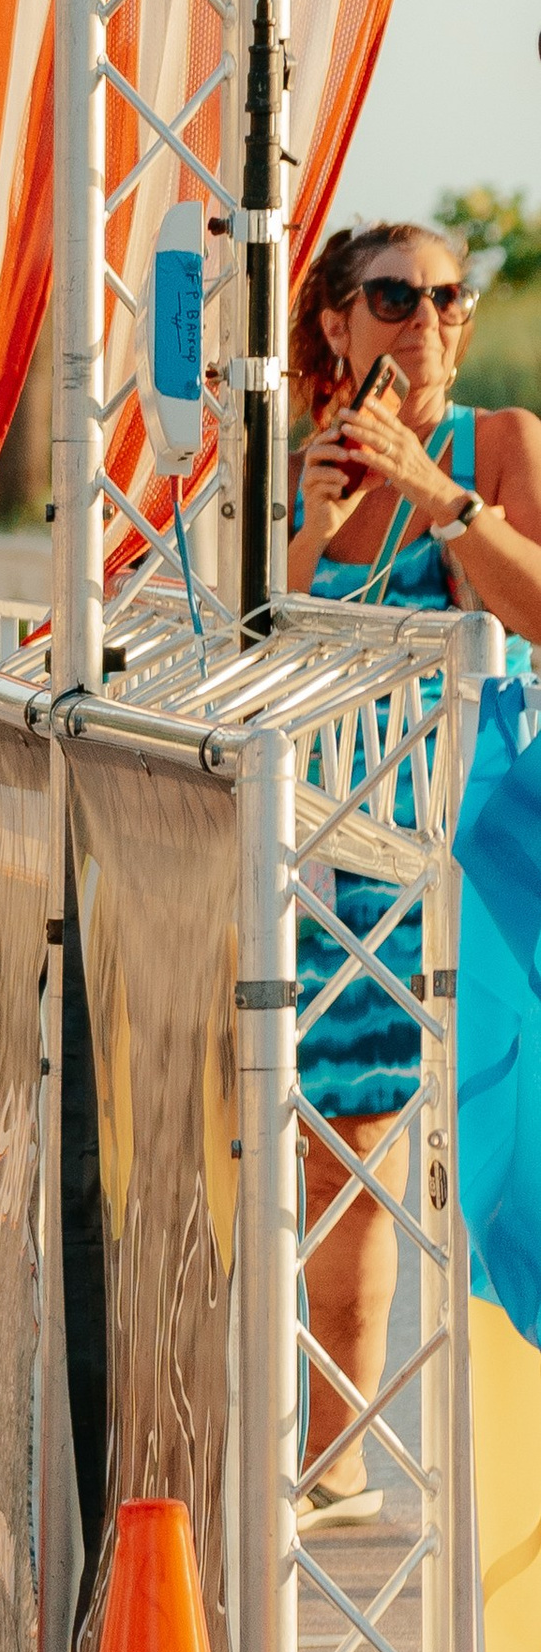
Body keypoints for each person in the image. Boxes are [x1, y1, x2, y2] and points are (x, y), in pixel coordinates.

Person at [287, 221, 541, 1523]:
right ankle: (336, 1455)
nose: (428, 319)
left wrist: (440, 501)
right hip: (343, 856)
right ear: (337, 320)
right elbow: (261, 638)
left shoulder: (498, 446)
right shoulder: (299, 466)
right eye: (394, 295)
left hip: (491, 851)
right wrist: (318, 515)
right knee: (342, 1149)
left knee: (506, 1173)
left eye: (449, 295)